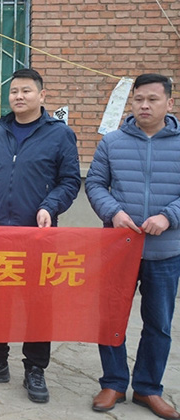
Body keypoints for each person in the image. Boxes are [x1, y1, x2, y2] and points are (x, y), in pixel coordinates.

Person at [0, 68, 81, 404]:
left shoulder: (59, 134)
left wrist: (50, 206)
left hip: (37, 235)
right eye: (14, 91)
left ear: (42, 96)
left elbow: (70, 181)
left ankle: (35, 368)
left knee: (37, 304)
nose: (19, 96)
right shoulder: (0, 132)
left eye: (26, 91)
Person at [86, 73, 180, 420]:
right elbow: (95, 184)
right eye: (139, 99)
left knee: (158, 324)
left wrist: (169, 217)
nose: (144, 105)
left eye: (153, 99)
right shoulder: (112, 142)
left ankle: (148, 388)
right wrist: (113, 212)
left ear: (169, 103)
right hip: (118, 249)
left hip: (165, 251)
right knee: (111, 318)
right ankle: (113, 382)